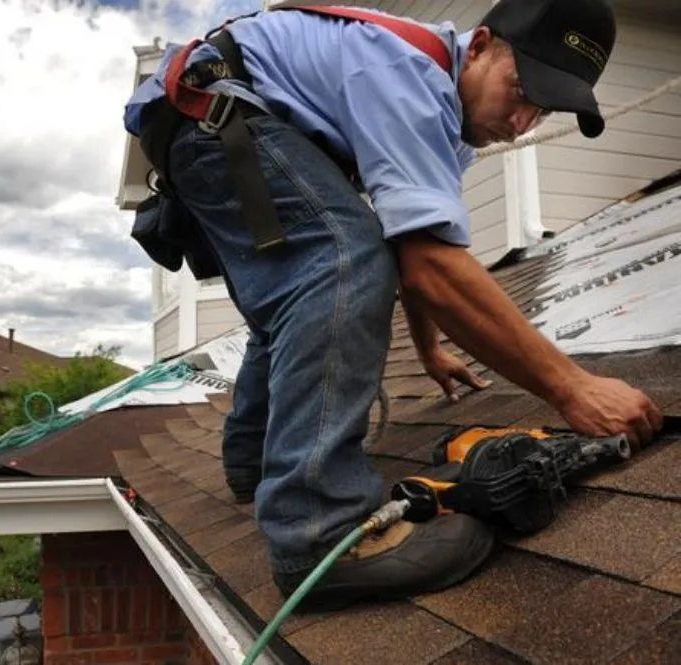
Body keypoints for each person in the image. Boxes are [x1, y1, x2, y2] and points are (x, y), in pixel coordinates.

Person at [122, 0, 664, 608]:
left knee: (300, 295)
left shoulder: (442, 116)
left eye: (542, 109)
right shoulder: (406, 74)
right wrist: (573, 388)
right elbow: (431, 266)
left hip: (199, 120)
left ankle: (252, 463)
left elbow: (415, 242)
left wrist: (428, 348)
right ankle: (318, 535)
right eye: (520, 91)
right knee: (339, 259)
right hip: (214, 112)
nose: (521, 122)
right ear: (480, 46)